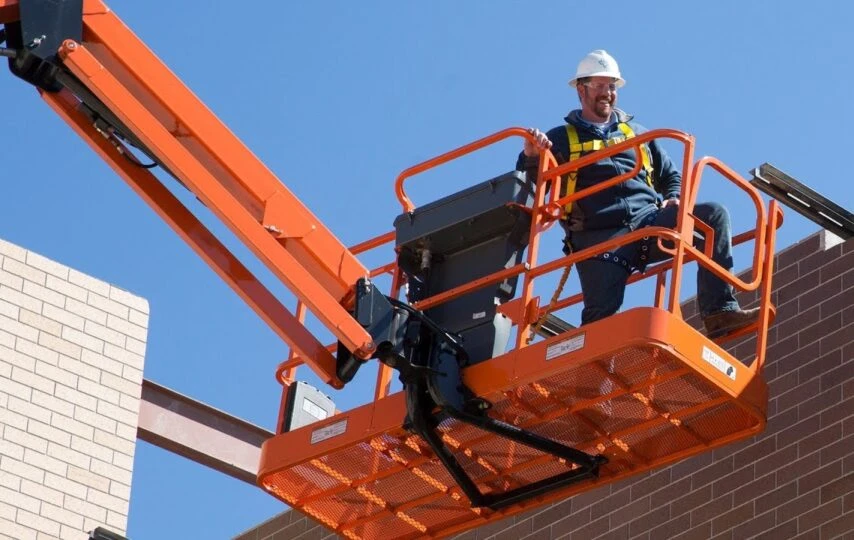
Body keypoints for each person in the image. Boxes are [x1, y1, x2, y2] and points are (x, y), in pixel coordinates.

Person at [516, 49, 758, 338]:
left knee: (713, 216)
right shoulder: (560, 139)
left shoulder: (637, 134)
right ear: (581, 90)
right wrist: (532, 156)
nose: (607, 93)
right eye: (599, 85)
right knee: (600, 322)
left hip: (648, 222)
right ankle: (592, 366)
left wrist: (673, 196)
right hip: (599, 237)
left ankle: (719, 311)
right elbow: (535, 187)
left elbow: (671, 175)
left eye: (612, 86)